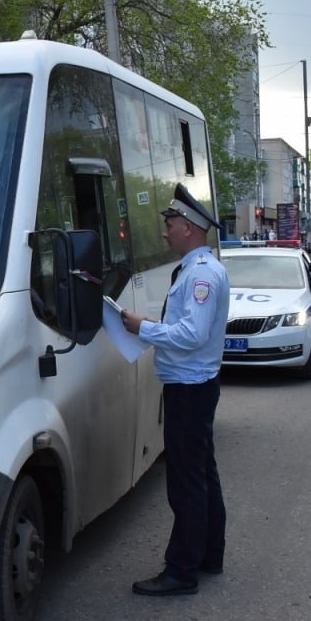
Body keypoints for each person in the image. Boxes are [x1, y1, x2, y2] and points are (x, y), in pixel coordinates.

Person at [119, 183, 230, 597]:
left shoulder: (201, 274)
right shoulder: (196, 269)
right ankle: (209, 555)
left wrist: (141, 327)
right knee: (202, 474)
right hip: (194, 386)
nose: (165, 232)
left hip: (190, 389)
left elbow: (193, 334)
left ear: (188, 226)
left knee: (186, 482)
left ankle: (181, 571)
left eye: (169, 224)